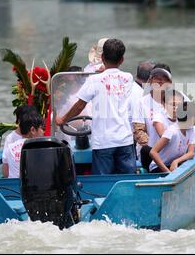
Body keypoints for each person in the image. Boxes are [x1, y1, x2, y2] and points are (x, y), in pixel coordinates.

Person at [56, 39, 136, 175]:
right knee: (127, 181)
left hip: (103, 142)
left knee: (102, 184)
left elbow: (80, 105)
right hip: (125, 140)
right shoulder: (128, 78)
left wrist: (63, 119)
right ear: (122, 59)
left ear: (103, 57)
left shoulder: (94, 80)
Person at [149, 95, 195, 173]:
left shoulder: (191, 129)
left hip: (175, 163)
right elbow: (153, 152)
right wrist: (167, 172)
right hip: (160, 167)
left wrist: (176, 161)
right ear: (191, 118)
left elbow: (191, 153)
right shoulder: (172, 131)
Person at [2, 111, 45, 178]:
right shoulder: (40, 148)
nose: (43, 132)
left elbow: (5, 173)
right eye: (42, 128)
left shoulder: (9, 148)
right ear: (33, 130)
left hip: (13, 187)